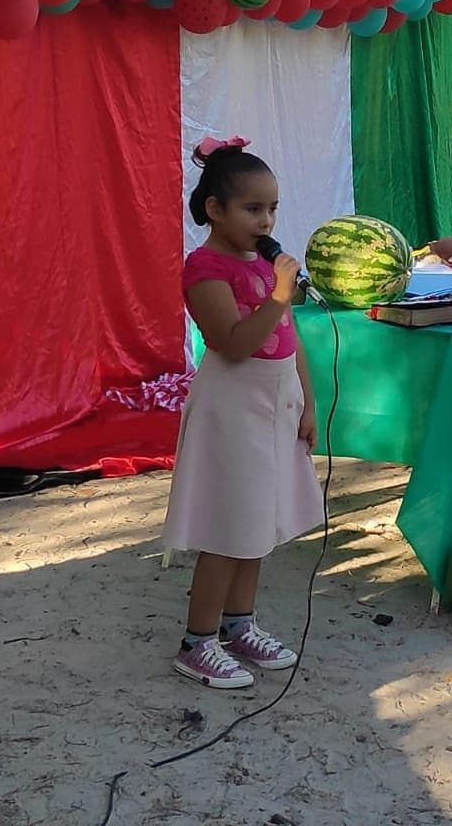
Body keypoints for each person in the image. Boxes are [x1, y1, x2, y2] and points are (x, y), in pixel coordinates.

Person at [163, 135, 324, 690]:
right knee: (230, 524)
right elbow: (233, 342)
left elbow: (289, 336)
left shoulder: (262, 263)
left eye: (272, 208)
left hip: (275, 402)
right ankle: (197, 641)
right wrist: (278, 295)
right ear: (215, 210)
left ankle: (239, 625)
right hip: (233, 407)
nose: (266, 220)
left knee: (260, 520)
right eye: (253, 209)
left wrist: (307, 398)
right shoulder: (204, 267)